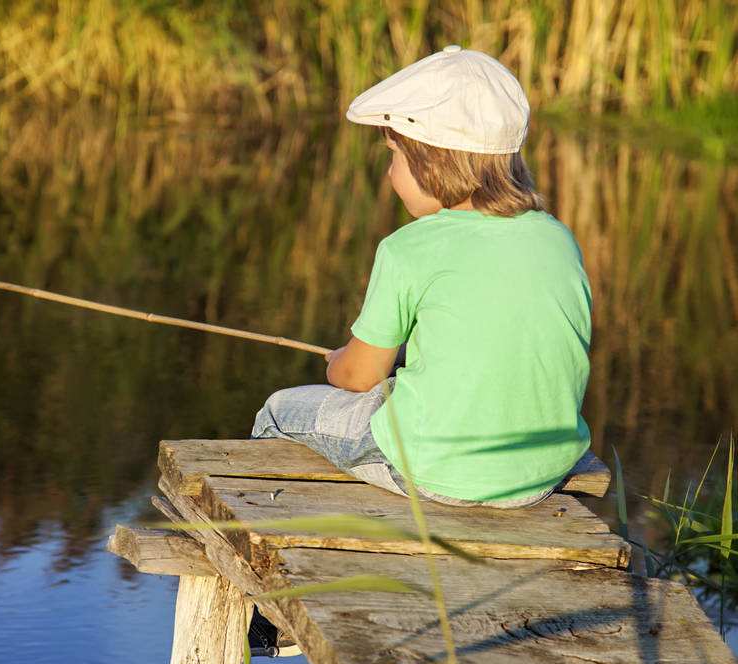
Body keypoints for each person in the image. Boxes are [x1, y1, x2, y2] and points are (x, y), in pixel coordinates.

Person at [251, 45, 593, 509]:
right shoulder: (558, 238)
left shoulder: (409, 247)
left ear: (430, 161)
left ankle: (285, 537)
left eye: (394, 154)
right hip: (539, 474)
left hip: (437, 472)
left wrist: (338, 361)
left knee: (278, 411)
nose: (391, 171)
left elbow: (359, 375)